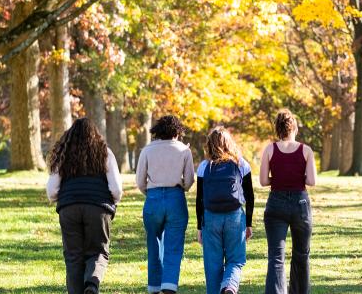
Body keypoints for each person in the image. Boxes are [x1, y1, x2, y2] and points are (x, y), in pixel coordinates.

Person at [46, 118, 123, 294]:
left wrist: (65, 198)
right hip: (98, 208)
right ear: (95, 134)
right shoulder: (105, 153)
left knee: (73, 257)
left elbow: (51, 191)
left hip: (69, 208)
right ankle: (92, 284)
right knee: (98, 251)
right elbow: (116, 189)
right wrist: (113, 203)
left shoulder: (63, 155)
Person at [259, 109, 317, 294]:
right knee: (301, 254)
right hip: (300, 203)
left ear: (278, 129)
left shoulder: (270, 149)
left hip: (276, 202)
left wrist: (278, 179)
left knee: (276, 257)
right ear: (295, 128)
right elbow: (311, 181)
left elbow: (263, 181)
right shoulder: (305, 150)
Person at [136, 115, 195, 294]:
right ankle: (169, 285)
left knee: (153, 242)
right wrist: (180, 187)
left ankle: (154, 286)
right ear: (177, 132)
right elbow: (190, 180)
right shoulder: (184, 150)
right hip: (176, 197)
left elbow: (140, 180)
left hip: (153, 198)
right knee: (174, 244)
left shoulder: (147, 150)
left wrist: (151, 192)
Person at [196, 126, 254, 294]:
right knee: (236, 260)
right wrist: (248, 224)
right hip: (235, 217)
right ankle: (229, 286)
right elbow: (250, 197)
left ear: (210, 144)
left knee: (212, 265)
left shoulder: (204, 166)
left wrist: (200, 227)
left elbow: (200, 200)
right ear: (230, 144)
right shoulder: (241, 164)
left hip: (210, 218)